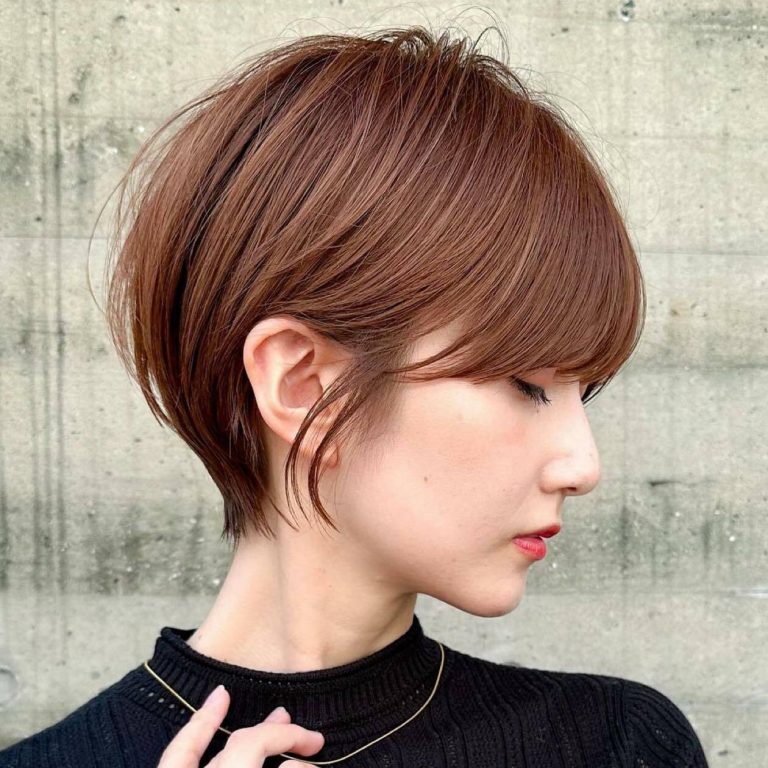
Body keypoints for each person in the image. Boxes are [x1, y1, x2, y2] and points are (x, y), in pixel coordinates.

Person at [0, 24, 709, 768]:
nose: (584, 466)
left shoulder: (614, 743)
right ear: (303, 384)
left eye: (581, 393)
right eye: (527, 384)